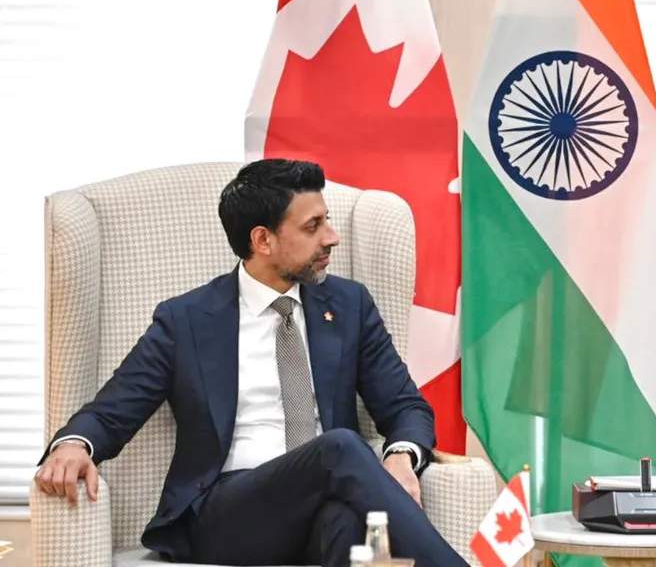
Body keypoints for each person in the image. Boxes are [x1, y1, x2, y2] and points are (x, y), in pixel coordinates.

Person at [34, 159, 466, 567]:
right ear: (262, 240)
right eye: (313, 226)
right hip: (227, 512)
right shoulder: (188, 320)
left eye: (328, 220)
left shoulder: (348, 305)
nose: (331, 237)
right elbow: (113, 410)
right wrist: (74, 444)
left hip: (320, 504)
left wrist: (401, 456)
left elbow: (404, 405)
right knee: (339, 447)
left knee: (348, 524)